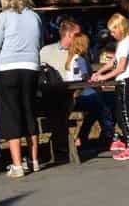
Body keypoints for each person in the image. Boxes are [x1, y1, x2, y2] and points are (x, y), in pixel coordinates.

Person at [0, 0, 43, 178]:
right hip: (30, 67)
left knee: (11, 114)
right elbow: (40, 42)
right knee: (29, 110)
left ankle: (17, 165)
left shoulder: (4, 17)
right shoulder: (35, 16)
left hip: (9, 68)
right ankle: (34, 160)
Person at [90, 14, 129, 160]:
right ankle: (125, 140)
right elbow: (112, 63)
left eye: (113, 31)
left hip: (126, 80)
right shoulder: (122, 43)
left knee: (125, 114)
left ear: (121, 28)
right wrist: (98, 72)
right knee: (119, 113)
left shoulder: (126, 43)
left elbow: (120, 67)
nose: (112, 34)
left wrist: (104, 78)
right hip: (122, 81)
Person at [38, 17, 80, 163]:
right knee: (59, 105)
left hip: (72, 94)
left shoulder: (78, 52)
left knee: (97, 102)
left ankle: (62, 140)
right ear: (68, 35)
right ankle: (60, 141)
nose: (80, 38)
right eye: (77, 35)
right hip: (50, 95)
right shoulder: (46, 51)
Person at [64, 33, 114, 148]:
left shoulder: (71, 58)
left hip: (74, 93)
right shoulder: (80, 59)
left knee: (93, 112)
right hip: (81, 92)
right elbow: (85, 78)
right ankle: (108, 132)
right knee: (102, 105)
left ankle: (82, 136)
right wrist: (96, 81)